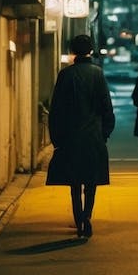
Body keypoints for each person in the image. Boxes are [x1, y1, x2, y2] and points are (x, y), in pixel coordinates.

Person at [46, 34, 115, 238]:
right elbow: (106, 108)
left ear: (73, 51)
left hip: (71, 137)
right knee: (91, 181)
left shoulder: (66, 75)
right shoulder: (98, 74)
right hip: (93, 136)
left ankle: (79, 220)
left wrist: (56, 138)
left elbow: (56, 109)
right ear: (91, 51)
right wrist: (105, 133)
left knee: (74, 182)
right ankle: (87, 216)